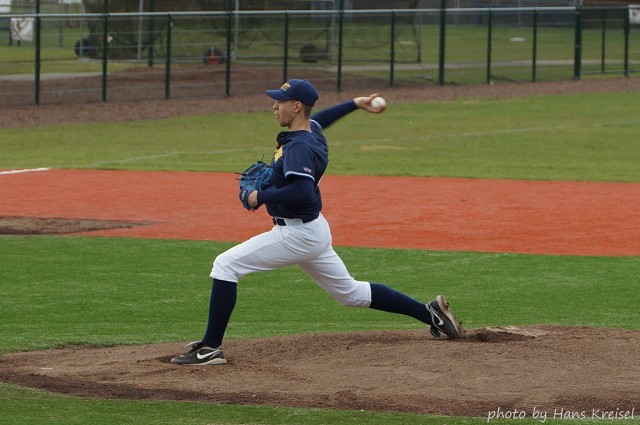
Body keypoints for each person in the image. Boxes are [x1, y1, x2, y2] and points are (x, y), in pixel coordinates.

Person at [171, 79, 465, 366]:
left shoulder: (299, 147)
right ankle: (431, 314)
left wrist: (259, 196)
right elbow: (321, 119)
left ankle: (211, 348)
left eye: (280, 102)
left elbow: (302, 189)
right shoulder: (310, 132)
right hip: (312, 230)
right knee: (351, 294)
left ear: (297, 106)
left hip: (296, 235)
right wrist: (355, 103)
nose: (274, 106)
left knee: (225, 265)